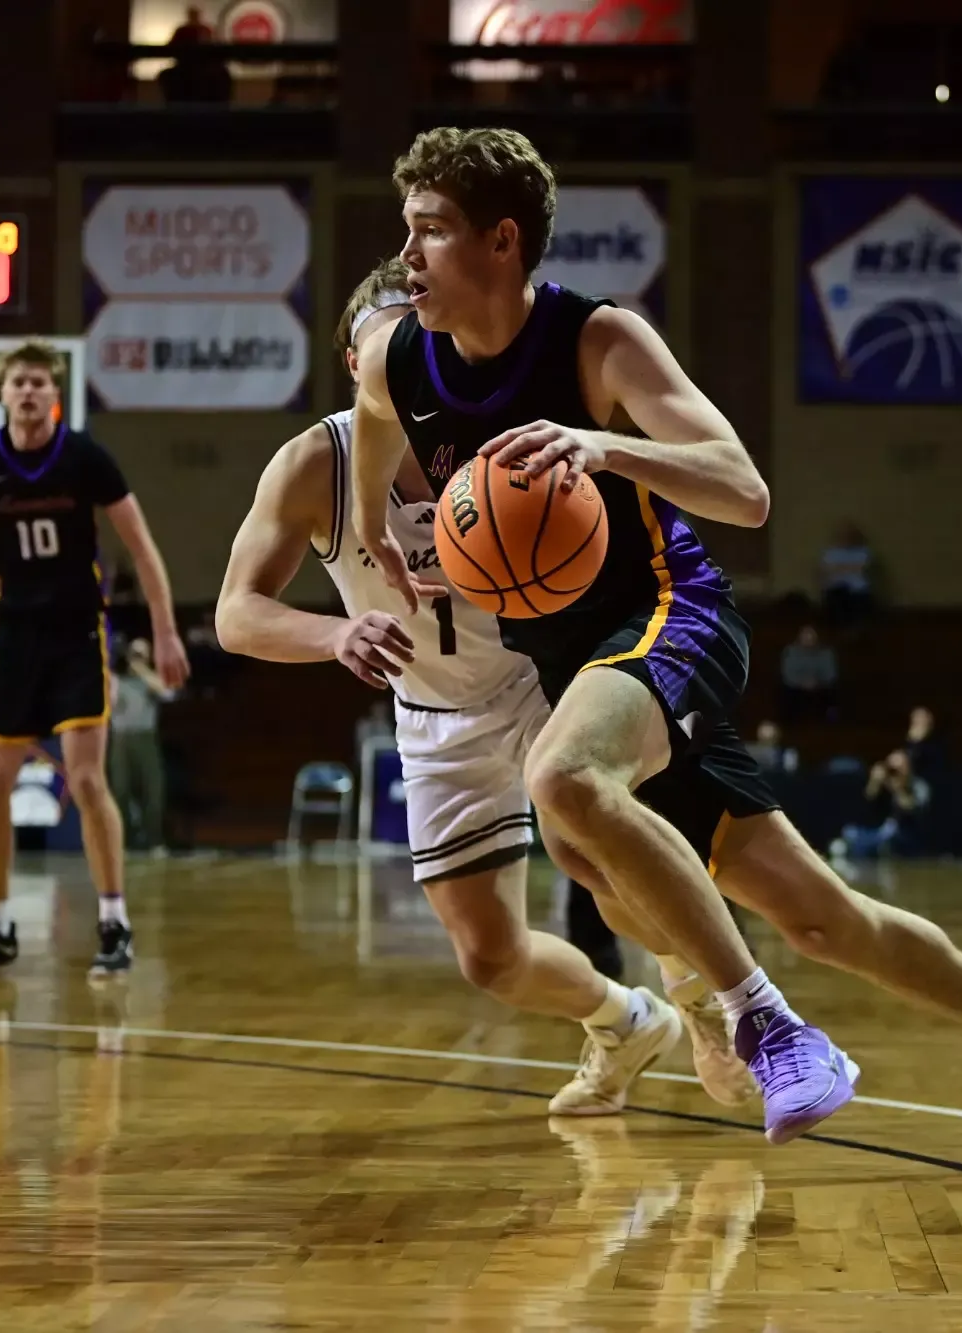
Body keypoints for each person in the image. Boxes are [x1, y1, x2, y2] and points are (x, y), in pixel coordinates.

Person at [351, 130, 962, 1164]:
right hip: (578, 664)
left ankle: (764, 1022)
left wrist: (602, 445)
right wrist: (379, 525)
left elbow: (743, 486)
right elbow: (378, 416)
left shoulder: (597, 342)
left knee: (560, 778)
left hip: (668, 615)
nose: (408, 255)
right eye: (406, 229)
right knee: (822, 916)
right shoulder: (393, 353)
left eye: (431, 231)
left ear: (501, 241)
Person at [216, 259, 754, 1119]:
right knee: (489, 956)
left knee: (598, 857)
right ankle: (624, 1020)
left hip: (540, 677)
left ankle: (705, 1003)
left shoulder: (492, 426)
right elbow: (235, 614)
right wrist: (335, 632)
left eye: (417, 330)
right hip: (436, 715)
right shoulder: (315, 462)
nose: (406, 348)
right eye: (381, 340)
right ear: (351, 361)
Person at [0, 339, 190, 979]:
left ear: (55, 395)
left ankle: (114, 921)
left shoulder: (83, 458)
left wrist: (164, 632)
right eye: (18, 382)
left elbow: (143, 546)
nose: (28, 392)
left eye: (39, 383)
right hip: (13, 636)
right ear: (2, 392)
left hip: (77, 635)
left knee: (85, 781)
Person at [108, 638, 174, 853]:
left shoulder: (151, 679)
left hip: (146, 738)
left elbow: (167, 692)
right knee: (120, 790)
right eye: (134, 654)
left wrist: (142, 670)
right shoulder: (116, 680)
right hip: (121, 738)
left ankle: (154, 840)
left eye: (142, 654)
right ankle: (124, 841)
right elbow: (109, 704)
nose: (137, 658)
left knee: (153, 789)